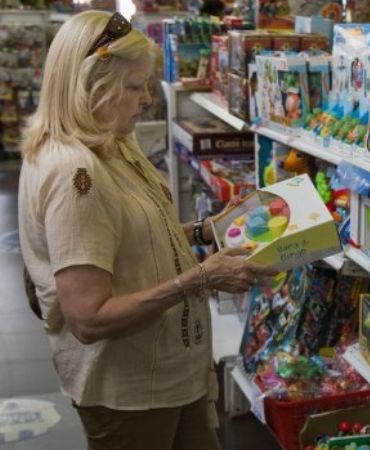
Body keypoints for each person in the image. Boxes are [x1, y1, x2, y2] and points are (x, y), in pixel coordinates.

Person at [19, 11, 274, 450]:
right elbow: (89, 316)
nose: (146, 100)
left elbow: (121, 239)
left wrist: (204, 230)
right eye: (134, 87)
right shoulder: (76, 172)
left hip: (169, 375)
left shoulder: (109, 140)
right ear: (90, 85)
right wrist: (202, 277)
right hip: (130, 392)